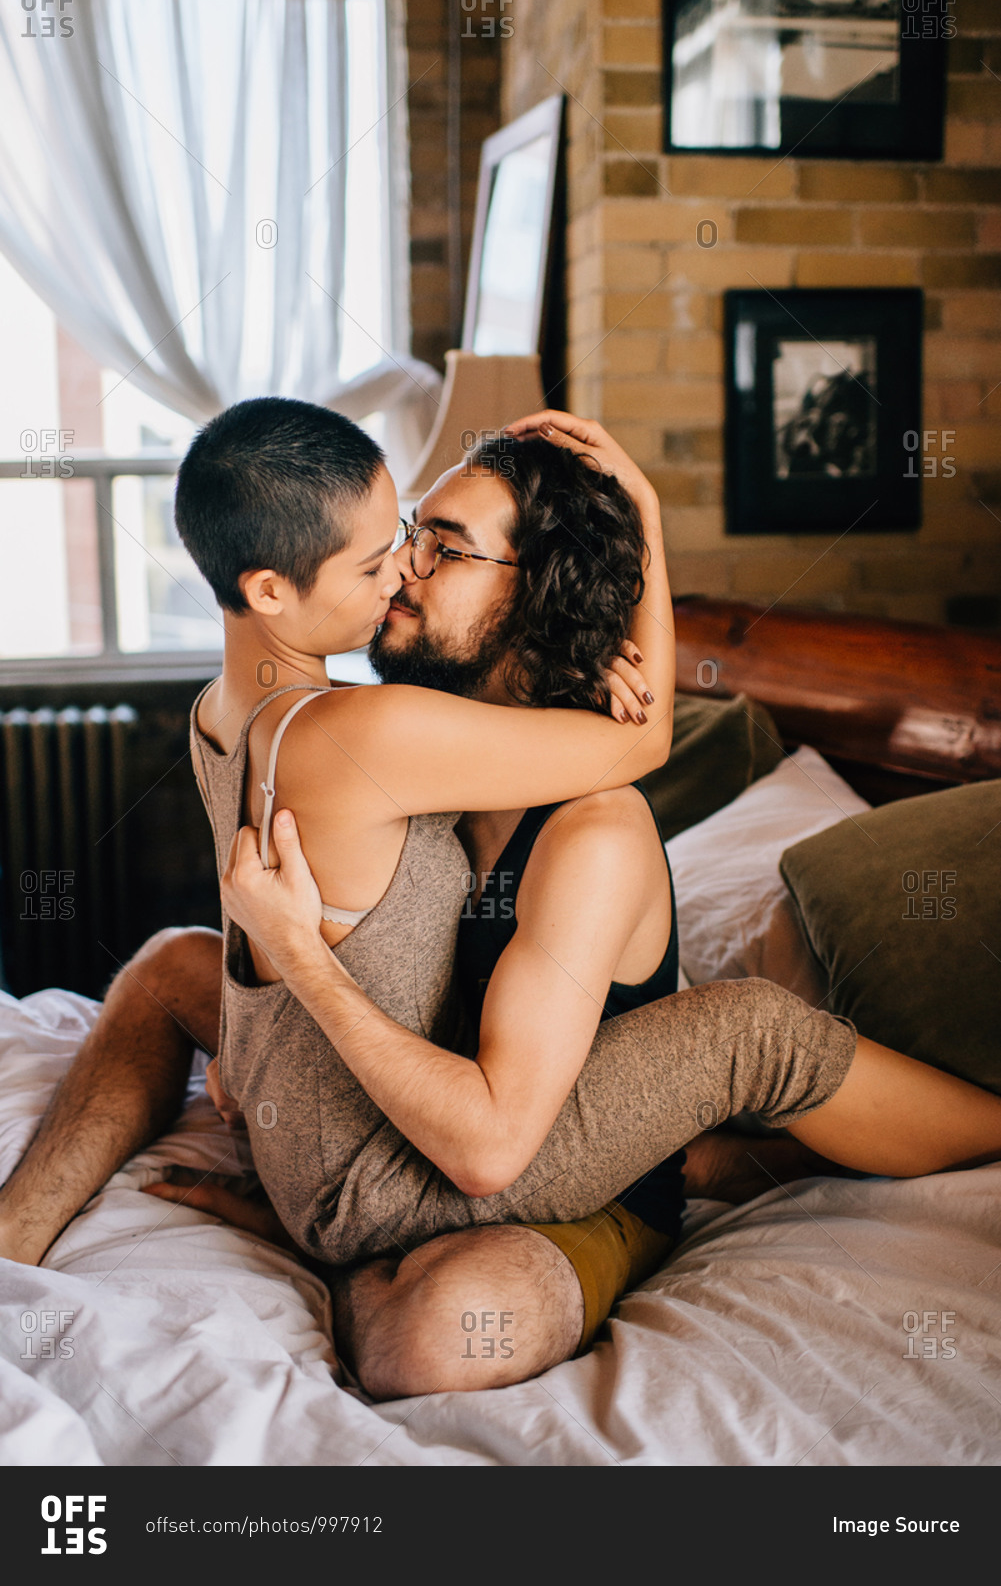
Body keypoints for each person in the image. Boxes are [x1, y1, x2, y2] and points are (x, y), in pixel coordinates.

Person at [4, 405, 1001, 1400]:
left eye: (442, 549)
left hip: (543, 1157)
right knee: (173, 961)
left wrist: (295, 974)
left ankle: (879, 1143)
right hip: (413, 1122)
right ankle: (13, 1233)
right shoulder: (400, 745)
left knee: (441, 1335)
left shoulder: (583, 829)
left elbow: (488, 1143)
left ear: (537, 596)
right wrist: (267, 1026)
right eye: (400, 544)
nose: (401, 568)